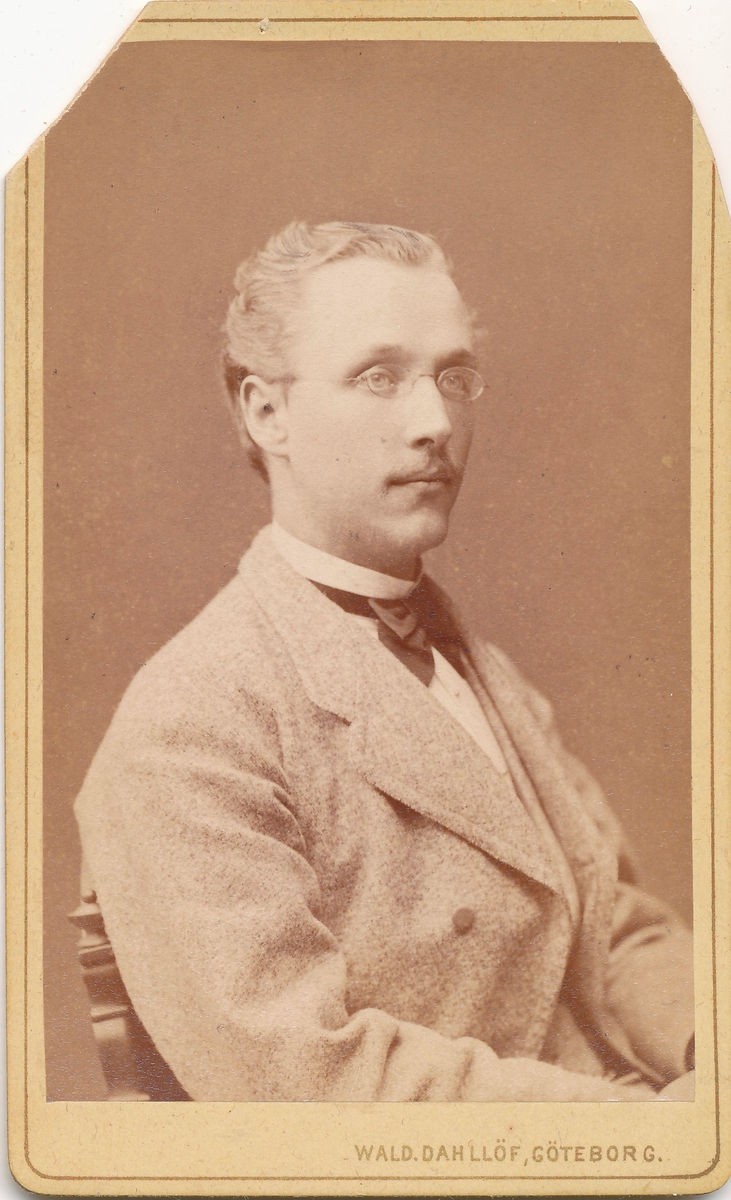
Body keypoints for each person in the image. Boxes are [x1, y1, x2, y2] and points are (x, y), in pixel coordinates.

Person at [74, 221, 694, 1102]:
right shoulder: (190, 724)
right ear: (266, 412)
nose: (435, 422)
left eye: (454, 377)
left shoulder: (483, 673)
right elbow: (305, 1079)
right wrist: (639, 1126)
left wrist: (707, 1048)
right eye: (378, 377)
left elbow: (613, 927)